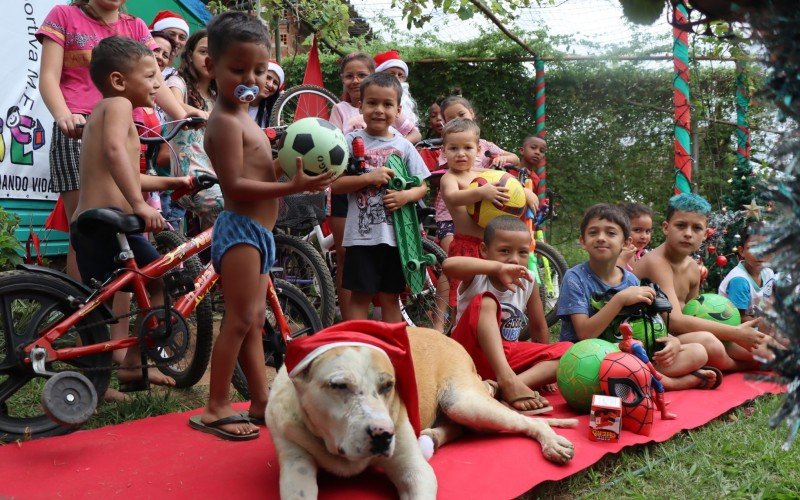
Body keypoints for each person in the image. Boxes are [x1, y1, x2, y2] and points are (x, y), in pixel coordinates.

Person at [190, 11, 334, 441]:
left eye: (258, 69)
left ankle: (259, 400)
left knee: (254, 321)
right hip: (239, 232)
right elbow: (234, 184)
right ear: (211, 68)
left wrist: (291, 167)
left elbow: (259, 169)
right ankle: (215, 405)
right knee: (237, 320)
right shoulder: (223, 121)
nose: (250, 78)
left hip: (260, 235)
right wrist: (290, 185)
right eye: (238, 69)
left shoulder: (247, 118)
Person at [70, 36, 193, 393]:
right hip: (105, 223)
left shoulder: (109, 110)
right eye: (151, 75)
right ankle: (97, 379)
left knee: (153, 281)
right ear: (119, 81)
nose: (159, 84)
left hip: (106, 224)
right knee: (107, 305)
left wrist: (176, 181)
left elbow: (124, 170)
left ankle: (133, 365)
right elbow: (112, 152)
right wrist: (140, 205)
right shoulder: (118, 106)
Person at [37, 0, 190, 282]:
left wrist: (183, 117)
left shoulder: (135, 25)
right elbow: (48, 76)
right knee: (88, 230)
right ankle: (84, 313)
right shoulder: (64, 14)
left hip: (129, 127)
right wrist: (64, 116)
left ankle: (118, 327)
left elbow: (154, 78)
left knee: (125, 237)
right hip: (79, 126)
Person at [558, 203, 721, 390]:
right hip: (587, 360)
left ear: (626, 243)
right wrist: (619, 300)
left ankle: (648, 378)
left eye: (611, 233)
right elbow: (585, 334)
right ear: (583, 241)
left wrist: (672, 341)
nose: (601, 238)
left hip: (629, 353)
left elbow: (647, 323)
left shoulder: (631, 280)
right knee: (623, 367)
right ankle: (672, 383)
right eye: (593, 233)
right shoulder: (575, 277)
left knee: (698, 351)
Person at [444, 216, 571, 414]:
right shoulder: (476, 276)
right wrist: (498, 267)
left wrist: (542, 362)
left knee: (569, 354)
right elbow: (449, 265)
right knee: (486, 302)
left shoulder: (528, 282)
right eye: (504, 251)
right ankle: (507, 380)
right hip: (465, 355)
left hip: (505, 356)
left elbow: (538, 327)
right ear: (485, 251)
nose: (513, 259)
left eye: (522, 252)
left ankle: (498, 388)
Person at [331, 72, 430, 323]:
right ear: (360, 106)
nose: (379, 110)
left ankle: (392, 351)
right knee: (360, 297)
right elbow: (336, 185)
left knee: (391, 298)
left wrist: (406, 196)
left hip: (397, 239)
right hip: (361, 239)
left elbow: (423, 186)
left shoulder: (404, 146)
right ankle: (358, 347)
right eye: (372, 103)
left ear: (398, 110)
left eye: (387, 104)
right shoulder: (348, 141)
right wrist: (367, 178)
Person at [633, 193, 771, 371]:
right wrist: (734, 333)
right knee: (710, 342)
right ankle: (742, 366)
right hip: (656, 340)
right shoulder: (656, 262)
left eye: (696, 228)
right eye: (681, 225)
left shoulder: (692, 267)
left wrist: (735, 333)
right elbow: (673, 321)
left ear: (705, 234)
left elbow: (695, 312)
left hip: (683, 337)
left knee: (759, 342)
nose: (688, 234)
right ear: (666, 228)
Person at [439, 118, 538, 306]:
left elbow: (508, 184)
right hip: (466, 245)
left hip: (491, 245)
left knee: (490, 292)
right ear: (444, 151)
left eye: (467, 148)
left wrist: (524, 192)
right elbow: (452, 197)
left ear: (477, 150)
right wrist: (481, 192)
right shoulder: (449, 177)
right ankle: (453, 327)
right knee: (461, 295)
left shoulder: (482, 173)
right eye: (453, 149)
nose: (461, 154)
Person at [166, 30, 222, 230]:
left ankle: (209, 258)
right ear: (189, 55)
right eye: (203, 51)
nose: (209, 59)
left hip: (215, 174)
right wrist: (202, 113)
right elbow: (173, 103)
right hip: (190, 175)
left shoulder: (217, 96)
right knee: (224, 204)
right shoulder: (177, 82)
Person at [719, 222, 776, 324]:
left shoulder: (768, 273)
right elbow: (738, 318)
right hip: (735, 328)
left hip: (756, 322)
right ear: (742, 251)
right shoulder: (739, 280)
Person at [374, 49, 419, 130]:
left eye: (400, 75)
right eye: (392, 74)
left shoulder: (404, 102)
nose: (397, 78)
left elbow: (414, 133)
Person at [148, 10, 190, 76]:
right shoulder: (135, 61)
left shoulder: (178, 79)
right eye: (171, 34)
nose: (176, 40)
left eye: (182, 37)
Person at [617, 202, 654, 271]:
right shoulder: (614, 255)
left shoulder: (644, 255)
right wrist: (621, 260)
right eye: (637, 230)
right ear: (622, 229)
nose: (644, 236)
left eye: (647, 231)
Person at [248, 60, 284, 128]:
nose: (270, 84)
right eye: (268, 77)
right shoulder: (233, 104)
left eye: (275, 83)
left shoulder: (268, 115)